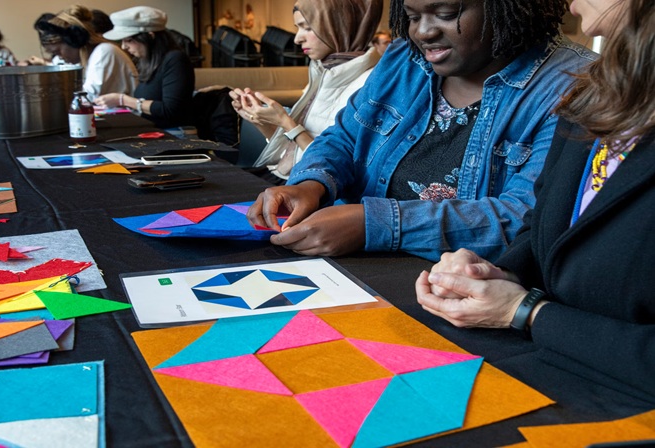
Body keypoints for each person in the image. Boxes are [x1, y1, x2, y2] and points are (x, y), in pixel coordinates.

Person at [416, 0, 655, 397]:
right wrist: (496, 274)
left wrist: (524, 311)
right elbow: (545, 224)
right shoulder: (592, 92)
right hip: (551, 368)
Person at [247, 0, 596, 262]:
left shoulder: (575, 84)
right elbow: (345, 138)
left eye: (445, 13)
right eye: (412, 17)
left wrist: (373, 225)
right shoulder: (404, 58)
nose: (423, 32)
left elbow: (524, 219)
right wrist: (311, 184)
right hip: (350, 271)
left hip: (462, 295)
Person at [231, 0, 383, 185]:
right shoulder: (324, 72)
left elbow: (334, 168)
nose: (297, 39)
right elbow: (293, 152)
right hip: (284, 176)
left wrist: (286, 122)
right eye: (298, 28)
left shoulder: (370, 85)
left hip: (306, 188)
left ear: (339, 26)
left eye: (308, 28)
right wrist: (260, 119)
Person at [95, 6, 195, 129]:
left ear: (150, 36)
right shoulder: (148, 62)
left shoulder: (175, 60)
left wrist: (123, 100)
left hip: (175, 133)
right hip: (153, 129)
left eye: (129, 40)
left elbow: (170, 110)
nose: (124, 47)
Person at [35, 5, 138, 101]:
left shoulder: (105, 51)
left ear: (75, 40)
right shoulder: (88, 58)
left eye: (58, 51)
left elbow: (88, 97)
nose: (60, 57)